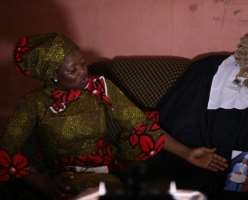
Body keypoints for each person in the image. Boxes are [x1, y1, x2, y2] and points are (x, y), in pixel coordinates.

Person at [0, 33, 228, 199]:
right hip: (63, 184)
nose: (83, 72)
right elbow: (6, 152)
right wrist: (46, 185)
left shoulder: (100, 87)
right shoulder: (33, 105)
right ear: (53, 75)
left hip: (105, 179)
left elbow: (141, 125)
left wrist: (188, 153)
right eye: (72, 70)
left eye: (82, 63)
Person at [158, 32, 248, 199]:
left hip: (213, 160)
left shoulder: (203, 69)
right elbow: (143, 126)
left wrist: (187, 153)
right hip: (223, 160)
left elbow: (151, 124)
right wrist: (187, 153)